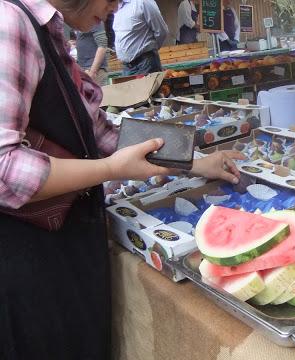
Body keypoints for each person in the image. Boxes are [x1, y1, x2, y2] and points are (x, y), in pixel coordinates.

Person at [0, 0, 243, 358]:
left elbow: (102, 134)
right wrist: (112, 170)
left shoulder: (53, 33)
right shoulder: (11, 22)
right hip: (30, 260)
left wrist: (195, 162)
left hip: (71, 244)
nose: (116, 7)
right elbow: (4, 167)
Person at [113, 0, 168, 75]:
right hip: (127, 66)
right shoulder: (117, 7)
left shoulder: (143, 2)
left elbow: (162, 31)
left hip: (145, 63)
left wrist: (150, 49)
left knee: (148, 87)